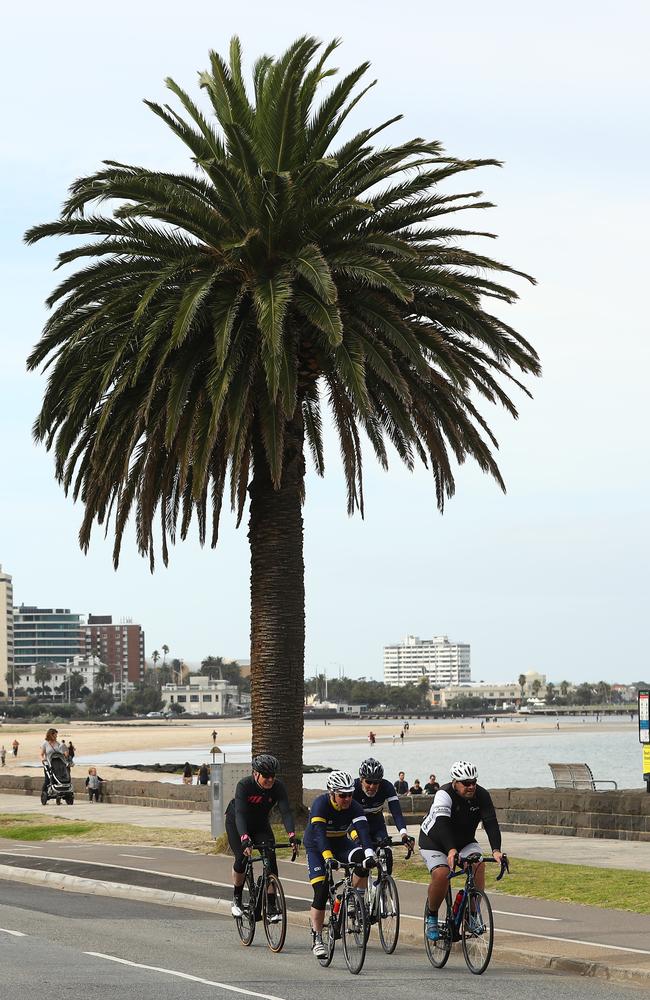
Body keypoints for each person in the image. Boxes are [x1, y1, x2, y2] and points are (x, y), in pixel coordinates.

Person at [419, 760, 504, 942]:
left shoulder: (482, 795)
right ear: (455, 782)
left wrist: (496, 850)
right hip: (434, 840)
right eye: (466, 783)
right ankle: (432, 916)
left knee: (478, 865)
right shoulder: (444, 794)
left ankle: (471, 915)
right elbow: (442, 824)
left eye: (473, 782)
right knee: (442, 874)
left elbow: (490, 822)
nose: (471, 786)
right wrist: (450, 850)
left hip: (464, 841)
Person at [304, 770, 376, 959]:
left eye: (350, 794)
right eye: (342, 795)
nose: (347, 799)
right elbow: (319, 835)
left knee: (363, 860)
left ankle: (351, 896)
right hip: (317, 847)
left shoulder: (354, 806)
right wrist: (328, 858)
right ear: (332, 793)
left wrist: (369, 854)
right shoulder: (320, 804)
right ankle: (317, 938)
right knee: (320, 890)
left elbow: (363, 832)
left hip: (341, 843)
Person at [225, 754, 297, 921]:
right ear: (255, 773)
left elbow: (286, 812)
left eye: (273, 776)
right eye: (266, 776)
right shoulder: (244, 785)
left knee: (270, 859)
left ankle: (271, 905)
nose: (270, 779)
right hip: (237, 821)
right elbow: (240, 814)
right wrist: (244, 838)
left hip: (260, 824)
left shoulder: (278, 787)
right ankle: (236, 898)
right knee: (241, 858)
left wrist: (292, 835)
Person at [351, 759, 413, 889]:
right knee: (362, 859)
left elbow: (396, 813)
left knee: (387, 854)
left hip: (377, 825)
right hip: (355, 826)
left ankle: (381, 889)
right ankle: (352, 892)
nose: (372, 786)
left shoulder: (387, 786)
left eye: (376, 783)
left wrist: (404, 834)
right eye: (368, 782)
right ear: (361, 779)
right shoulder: (353, 788)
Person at [40, 728, 64, 802]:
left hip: (58, 764)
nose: (56, 736)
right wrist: (43, 759)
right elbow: (41, 754)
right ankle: (44, 793)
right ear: (51, 735)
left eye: (57, 735)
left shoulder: (58, 743)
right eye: (55, 735)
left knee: (58, 780)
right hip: (48, 764)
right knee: (48, 780)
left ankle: (58, 795)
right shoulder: (45, 743)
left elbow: (61, 753)